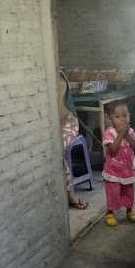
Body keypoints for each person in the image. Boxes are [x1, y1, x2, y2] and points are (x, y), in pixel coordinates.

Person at [102, 101, 135, 226]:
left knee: (128, 191)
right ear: (110, 118)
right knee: (113, 192)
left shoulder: (130, 131)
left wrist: (127, 135)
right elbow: (112, 151)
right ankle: (110, 212)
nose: (122, 119)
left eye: (125, 115)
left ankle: (130, 210)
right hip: (114, 170)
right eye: (117, 117)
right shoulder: (109, 132)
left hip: (127, 169)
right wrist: (120, 134)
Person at [59, 69, 88, 210]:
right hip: (53, 125)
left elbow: (58, 112)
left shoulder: (58, 79)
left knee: (57, 149)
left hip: (67, 123)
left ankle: (70, 194)